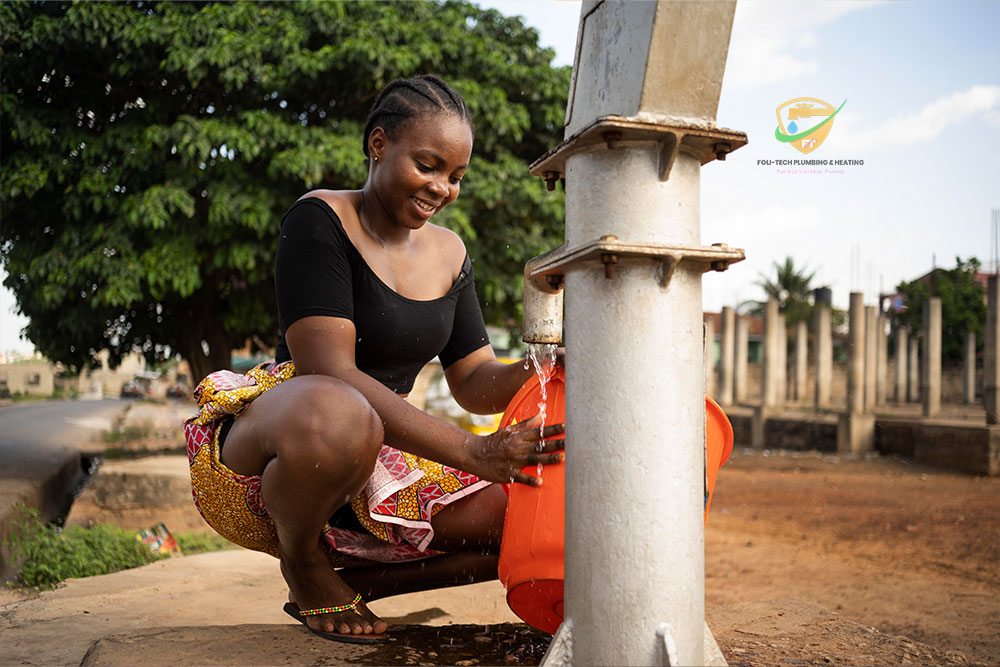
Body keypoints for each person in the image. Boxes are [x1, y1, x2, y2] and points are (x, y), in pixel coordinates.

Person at [183, 74, 565, 644]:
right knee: (343, 409)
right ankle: (305, 564)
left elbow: (475, 381)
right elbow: (328, 370)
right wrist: (472, 450)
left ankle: (358, 586)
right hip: (289, 447)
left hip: (384, 459)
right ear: (379, 145)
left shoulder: (451, 251)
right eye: (429, 165)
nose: (443, 188)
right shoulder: (321, 219)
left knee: (529, 523)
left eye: (456, 176)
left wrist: (553, 359)